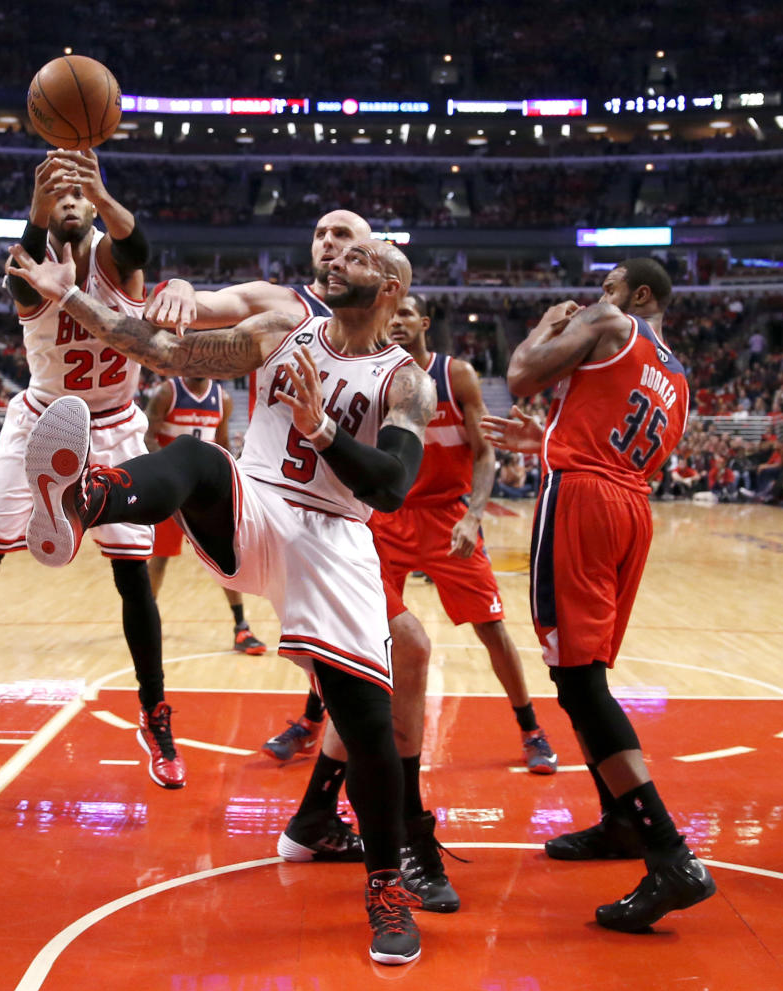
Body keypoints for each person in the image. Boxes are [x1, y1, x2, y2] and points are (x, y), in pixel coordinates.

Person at [8, 235, 436, 966]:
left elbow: (390, 489)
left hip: (338, 542)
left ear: (392, 287)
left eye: (359, 259)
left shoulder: (406, 381)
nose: (337, 262)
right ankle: (87, 497)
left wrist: (321, 430)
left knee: (368, 724)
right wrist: (70, 296)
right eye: (335, 257)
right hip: (261, 509)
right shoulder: (280, 332)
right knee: (203, 458)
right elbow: (163, 352)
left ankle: (387, 888)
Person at [147, 213, 461, 916]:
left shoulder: (387, 336)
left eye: (345, 237)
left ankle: (319, 812)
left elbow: (398, 448)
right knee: (396, 655)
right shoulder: (286, 308)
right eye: (319, 235)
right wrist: (176, 284)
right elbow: (192, 316)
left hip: (346, 519)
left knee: (377, 661)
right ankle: (402, 834)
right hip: (283, 516)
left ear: (376, 264)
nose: (329, 246)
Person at [0, 148, 187, 790]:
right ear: (45, 211)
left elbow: (140, 247)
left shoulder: (113, 257)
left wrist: (100, 192)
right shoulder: (27, 264)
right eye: (61, 197)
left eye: (80, 196)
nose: (71, 201)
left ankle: (154, 711)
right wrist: (37, 203)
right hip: (41, 424)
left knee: (133, 581)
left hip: (113, 428)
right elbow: (27, 265)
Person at [483, 257, 716, 933]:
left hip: (582, 502)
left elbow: (522, 375)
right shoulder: (678, 376)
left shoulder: (611, 321)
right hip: (630, 510)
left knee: (579, 681)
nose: (595, 298)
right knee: (588, 671)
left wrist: (545, 325)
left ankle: (669, 855)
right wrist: (551, 439)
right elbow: (615, 434)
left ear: (639, 296)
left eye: (609, 287)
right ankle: (620, 824)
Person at [371, 293, 557, 775]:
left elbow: (483, 453)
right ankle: (312, 722)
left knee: (491, 627)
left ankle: (531, 728)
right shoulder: (372, 375)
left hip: (445, 515)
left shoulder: (456, 376)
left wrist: (473, 516)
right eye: (390, 315)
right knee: (355, 628)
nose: (396, 322)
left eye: (406, 314)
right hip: (389, 515)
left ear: (424, 322)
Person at [144, 376, 266, 654]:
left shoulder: (222, 398)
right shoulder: (168, 392)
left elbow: (221, 443)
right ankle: (148, 621)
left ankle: (241, 627)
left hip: (203, 489)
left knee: (224, 557)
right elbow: (147, 434)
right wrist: (166, 470)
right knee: (160, 559)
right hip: (171, 488)